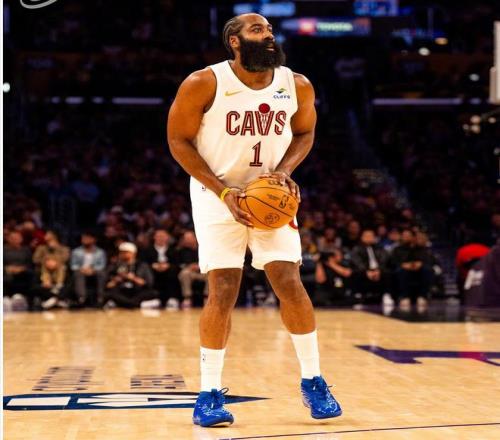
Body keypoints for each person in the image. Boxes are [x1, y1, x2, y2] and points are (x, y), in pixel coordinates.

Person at [167, 13, 341, 427]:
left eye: (270, 30)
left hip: (271, 196)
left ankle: (314, 380)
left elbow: (305, 133)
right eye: (258, 30)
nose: (269, 36)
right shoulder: (204, 82)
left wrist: (284, 171)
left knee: (289, 281)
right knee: (223, 290)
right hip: (216, 194)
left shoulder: (296, 84)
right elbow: (178, 140)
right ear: (235, 41)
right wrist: (223, 191)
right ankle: (209, 393)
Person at [103, 242, 158, 308]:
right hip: (121, 290)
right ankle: (136, 304)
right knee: (109, 294)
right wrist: (116, 280)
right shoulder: (114, 266)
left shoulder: (142, 265)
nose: (123, 254)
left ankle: (125, 304)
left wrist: (133, 278)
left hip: (137, 291)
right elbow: (108, 285)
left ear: (133, 253)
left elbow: (148, 284)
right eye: (121, 252)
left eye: (126, 252)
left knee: (152, 293)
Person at [140, 229, 181, 309]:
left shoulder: (174, 250)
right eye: (159, 236)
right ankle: (153, 299)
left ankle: (172, 298)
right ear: (154, 237)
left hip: (169, 272)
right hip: (152, 271)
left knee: (172, 272)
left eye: (163, 236)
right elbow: (143, 262)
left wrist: (168, 266)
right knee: (148, 272)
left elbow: (177, 264)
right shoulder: (147, 250)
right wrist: (153, 265)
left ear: (167, 238)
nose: (161, 238)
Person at [350, 229, 392, 306]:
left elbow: (384, 260)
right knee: (356, 273)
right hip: (365, 270)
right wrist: (366, 271)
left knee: (387, 272)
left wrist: (378, 270)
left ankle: (386, 295)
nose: (369, 238)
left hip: (378, 269)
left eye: (371, 236)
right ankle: (358, 296)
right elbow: (357, 262)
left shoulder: (380, 248)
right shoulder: (357, 248)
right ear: (362, 237)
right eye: (366, 236)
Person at [70, 231, 107, 306]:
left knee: (102, 273)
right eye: (83, 238)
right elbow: (73, 265)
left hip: (94, 271)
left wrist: (93, 270)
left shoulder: (100, 252)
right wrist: (81, 269)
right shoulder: (76, 251)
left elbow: (102, 265)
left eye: (87, 238)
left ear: (93, 239)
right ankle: (81, 298)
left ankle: (100, 296)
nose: (84, 239)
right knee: (78, 274)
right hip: (81, 270)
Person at [177, 230, 208, 308]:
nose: (188, 240)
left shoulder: (204, 248)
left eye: (189, 238)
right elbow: (179, 264)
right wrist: (189, 267)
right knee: (184, 273)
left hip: (204, 271)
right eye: (186, 239)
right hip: (190, 273)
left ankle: (207, 297)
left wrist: (200, 266)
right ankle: (187, 298)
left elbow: (210, 261)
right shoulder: (181, 251)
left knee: (213, 274)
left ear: (195, 238)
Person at [4, 230, 33, 311]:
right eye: (12, 238)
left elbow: (30, 265)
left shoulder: (26, 250)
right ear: (8, 239)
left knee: (30, 274)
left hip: (23, 273)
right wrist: (7, 268)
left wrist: (22, 269)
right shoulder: (3, 250)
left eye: (17, 238)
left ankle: (21, 300)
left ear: (21, 239)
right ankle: (5, 300)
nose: (15, 240)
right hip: (6, 273)